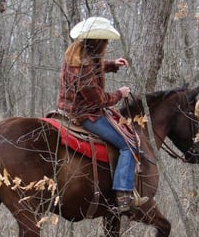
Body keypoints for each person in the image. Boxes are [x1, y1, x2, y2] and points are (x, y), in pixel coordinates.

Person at [57, 16, 149, 213]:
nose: (106, 45)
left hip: (66, 109)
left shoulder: (76, 54)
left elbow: (94, 67)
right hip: (85, 114)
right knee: (129, 144)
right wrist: (120, 94)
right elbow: (98, 100)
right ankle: (123, 195)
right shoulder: (83, 67)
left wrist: (112, 64)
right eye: (105, 42)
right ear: (98, 43)